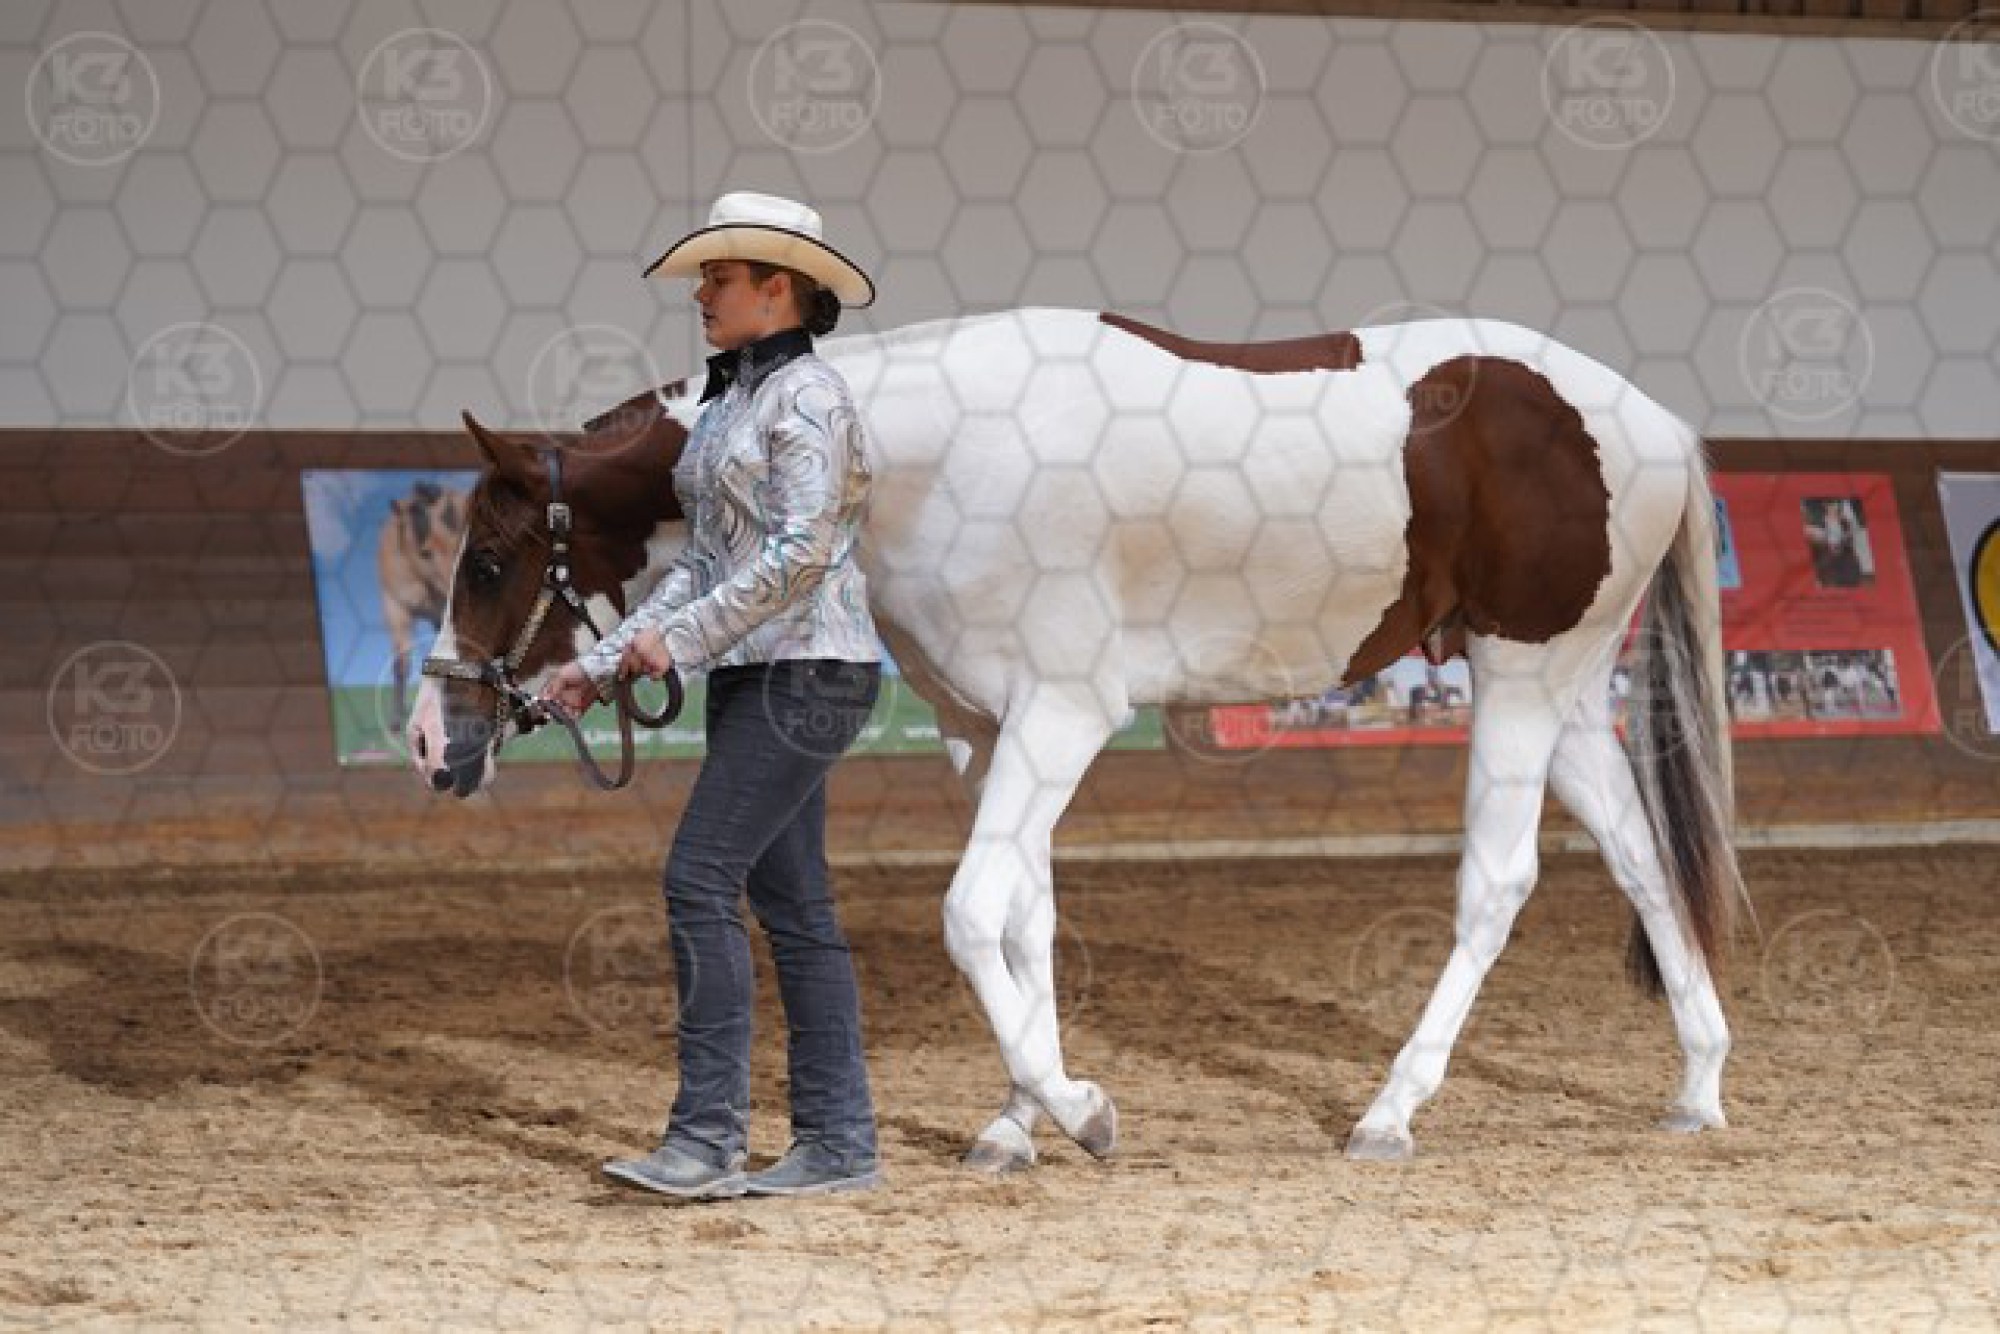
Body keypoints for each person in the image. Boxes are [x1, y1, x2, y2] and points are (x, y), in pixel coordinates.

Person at [540, 191, 884, 1199]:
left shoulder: (811, 398)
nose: (701, 294)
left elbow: (803, 551)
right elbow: (702, 560)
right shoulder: (728, 404)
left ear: (777, 288)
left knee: (698, 878)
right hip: (754, 671)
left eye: (719, 279)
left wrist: (679, 640)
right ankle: (838, 1143)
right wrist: (603, 659)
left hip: (810, 670)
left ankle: (705, 1140)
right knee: (794, 906)